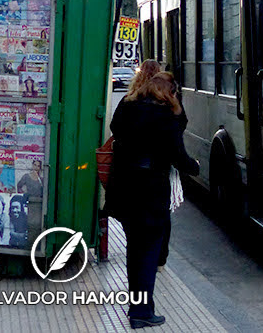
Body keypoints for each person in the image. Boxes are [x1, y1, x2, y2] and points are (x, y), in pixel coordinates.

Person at [106, 72, 199, 329]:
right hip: (149, 193)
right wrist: (196, 167)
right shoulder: (165, 116)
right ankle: (142, 312)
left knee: (134, 250)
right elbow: (179, 156)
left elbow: (115, 130)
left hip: (124, 189)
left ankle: (136, 306)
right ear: (169, 92)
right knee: (148, 252)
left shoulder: (127, 105)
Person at [123, 59, 186, 272]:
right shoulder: (167, 111)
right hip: (156, 180)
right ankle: (157, 262)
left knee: (135, 237)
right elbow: (177, 142)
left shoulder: (129, 102)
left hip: (130, 178)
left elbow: (116, 128)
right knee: (158, 225)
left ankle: (138, 281)